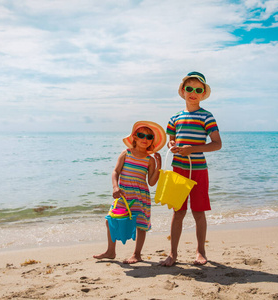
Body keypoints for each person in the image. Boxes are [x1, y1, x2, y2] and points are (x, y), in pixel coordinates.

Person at [160, 71, 222, 267]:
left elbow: (217, 144)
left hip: (199, 170)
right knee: (178, 212)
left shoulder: (207, 116)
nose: (193, 93)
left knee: (198, 212)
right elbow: (170, 141)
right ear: (182, 91)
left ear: (203, 93)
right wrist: (171, 146)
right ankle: (173, 253)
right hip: (178, 169)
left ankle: (200, 251)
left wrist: (192, 149)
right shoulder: (175, 118)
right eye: (189, 88)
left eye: (198, 89)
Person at [94, 121, 166, 264]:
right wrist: (115, 187)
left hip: (141, 196)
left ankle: (137, 254)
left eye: (149, 137)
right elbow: (116, 171)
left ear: (152, 141)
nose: (145, 139)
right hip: (123, 194)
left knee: (140, 224)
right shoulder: (126, 153)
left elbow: (151, 182)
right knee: (111, 219)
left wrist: (159, 165)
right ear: (135, 137)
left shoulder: (149, 160)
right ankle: (110, 251)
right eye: (141, 135)